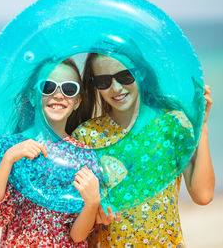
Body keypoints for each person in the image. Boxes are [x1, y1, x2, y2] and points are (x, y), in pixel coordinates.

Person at [72, 53, 214, 247]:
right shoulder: (88, 136)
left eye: (125, 76)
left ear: (141, 73)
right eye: (103, 81)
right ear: (95, 85)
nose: (116, 88)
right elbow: (78, 212)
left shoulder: (172, 124)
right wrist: (96, 215)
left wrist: (202, 127)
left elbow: (203, 195)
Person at [0, 59, 109, 247]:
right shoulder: (10, 147)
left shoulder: (84, 156)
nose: (58, 95)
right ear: (33, 96)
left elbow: (77, 236)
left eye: (68, 89)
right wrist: (8, 159)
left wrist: (92, 203)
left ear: (77, 101)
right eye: (48, 86)